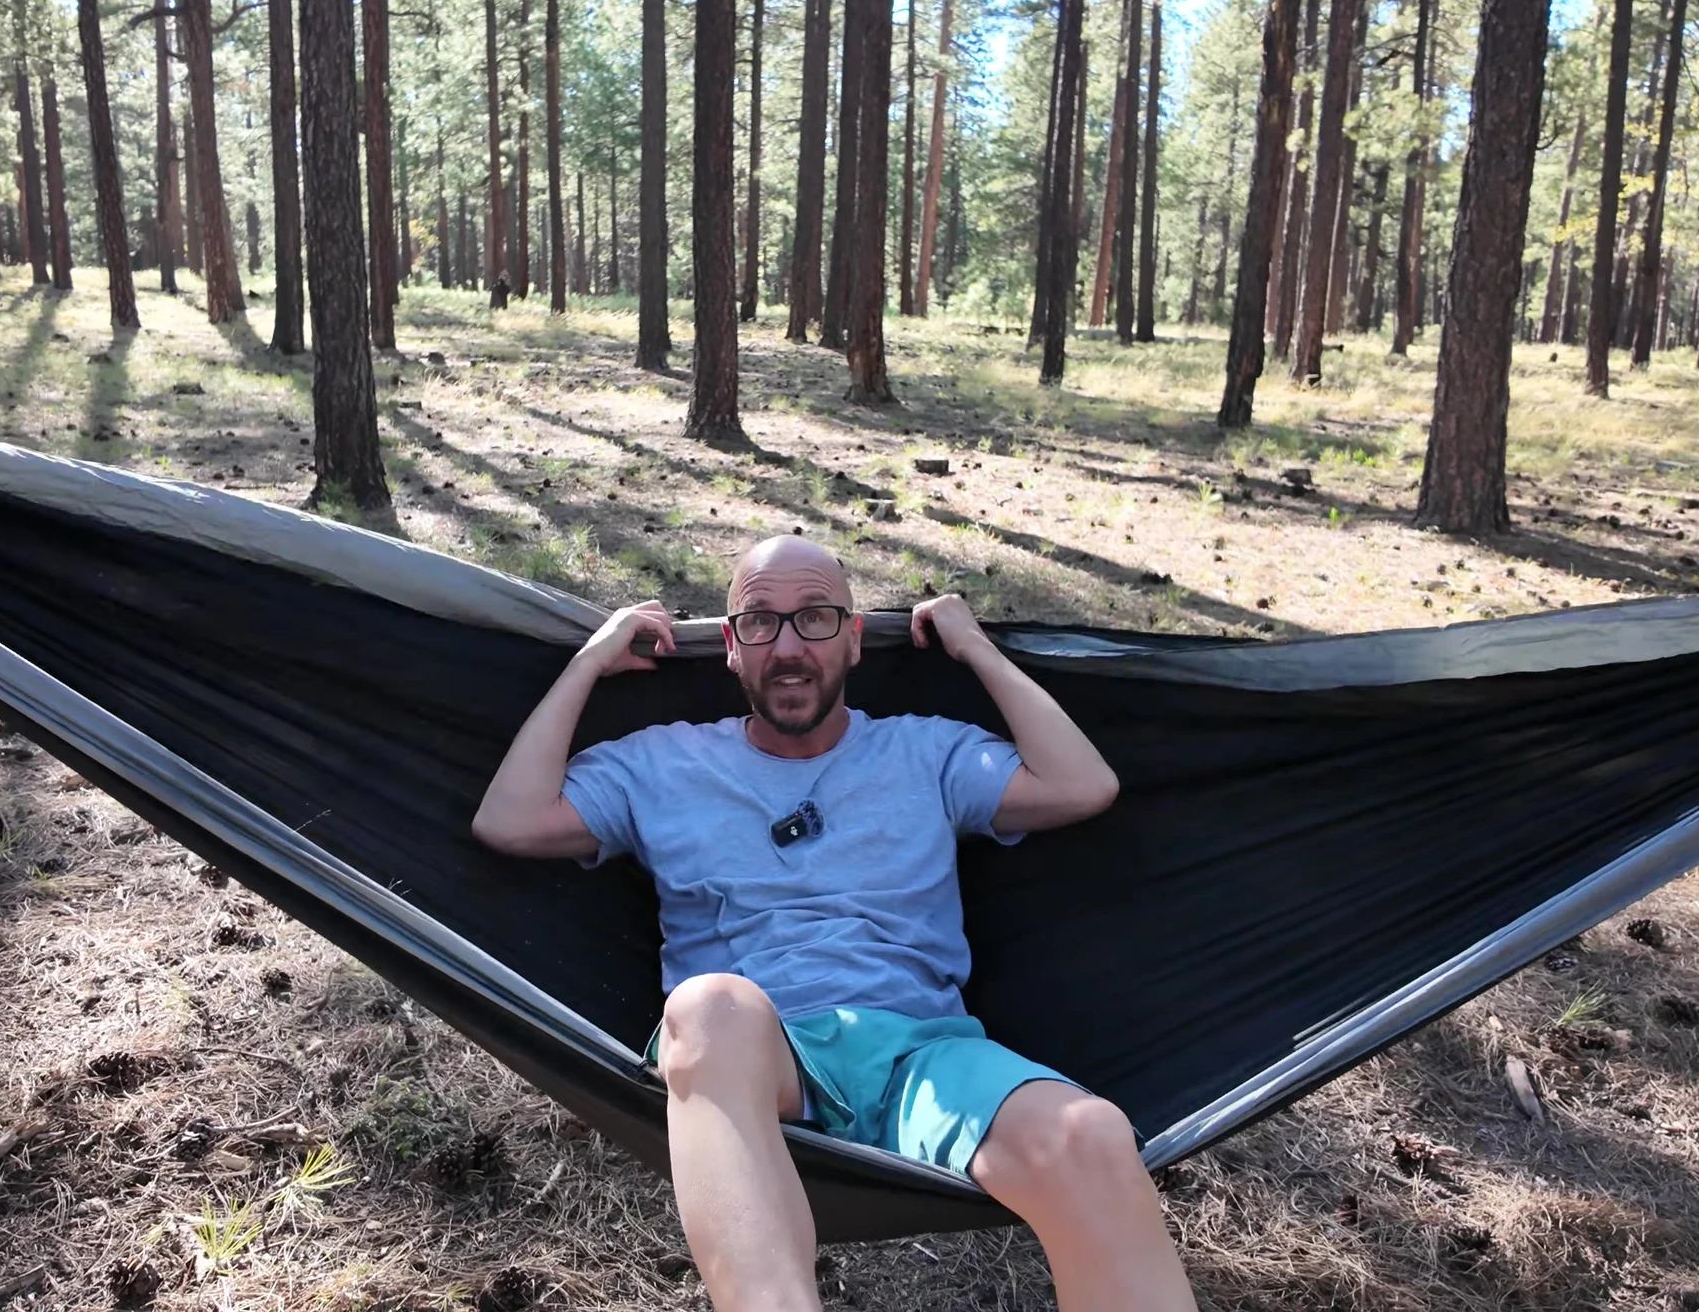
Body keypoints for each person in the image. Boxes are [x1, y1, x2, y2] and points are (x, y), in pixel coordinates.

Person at [474, 535, 1199, 1311]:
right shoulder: (660, 766)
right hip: (756, 1054)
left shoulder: (925, 751)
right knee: (708, 1005)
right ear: (729, 646)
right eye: (759, 621)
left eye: (816, 618)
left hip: (921, 1058)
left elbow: (1083, 782)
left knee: (1091, 1136)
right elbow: (509, 819)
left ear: (854, 639)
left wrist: (975, 646)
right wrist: (587, 659)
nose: (788, 646)